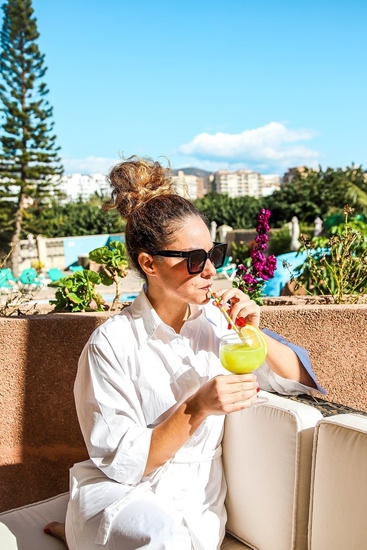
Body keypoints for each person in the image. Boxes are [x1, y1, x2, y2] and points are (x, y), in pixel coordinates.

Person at [45, 155, 324, 549]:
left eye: (215, 254)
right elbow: (126, 465)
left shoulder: (218, 322)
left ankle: (75, 533)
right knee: (160, 536)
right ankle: (79, 526)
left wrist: (253, 335)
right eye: (195, 260)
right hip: (125, 496)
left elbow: (300, 384)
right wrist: (199, 406)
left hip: (199, 503)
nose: (210, 270)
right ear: (149, 264)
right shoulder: (111, 344)